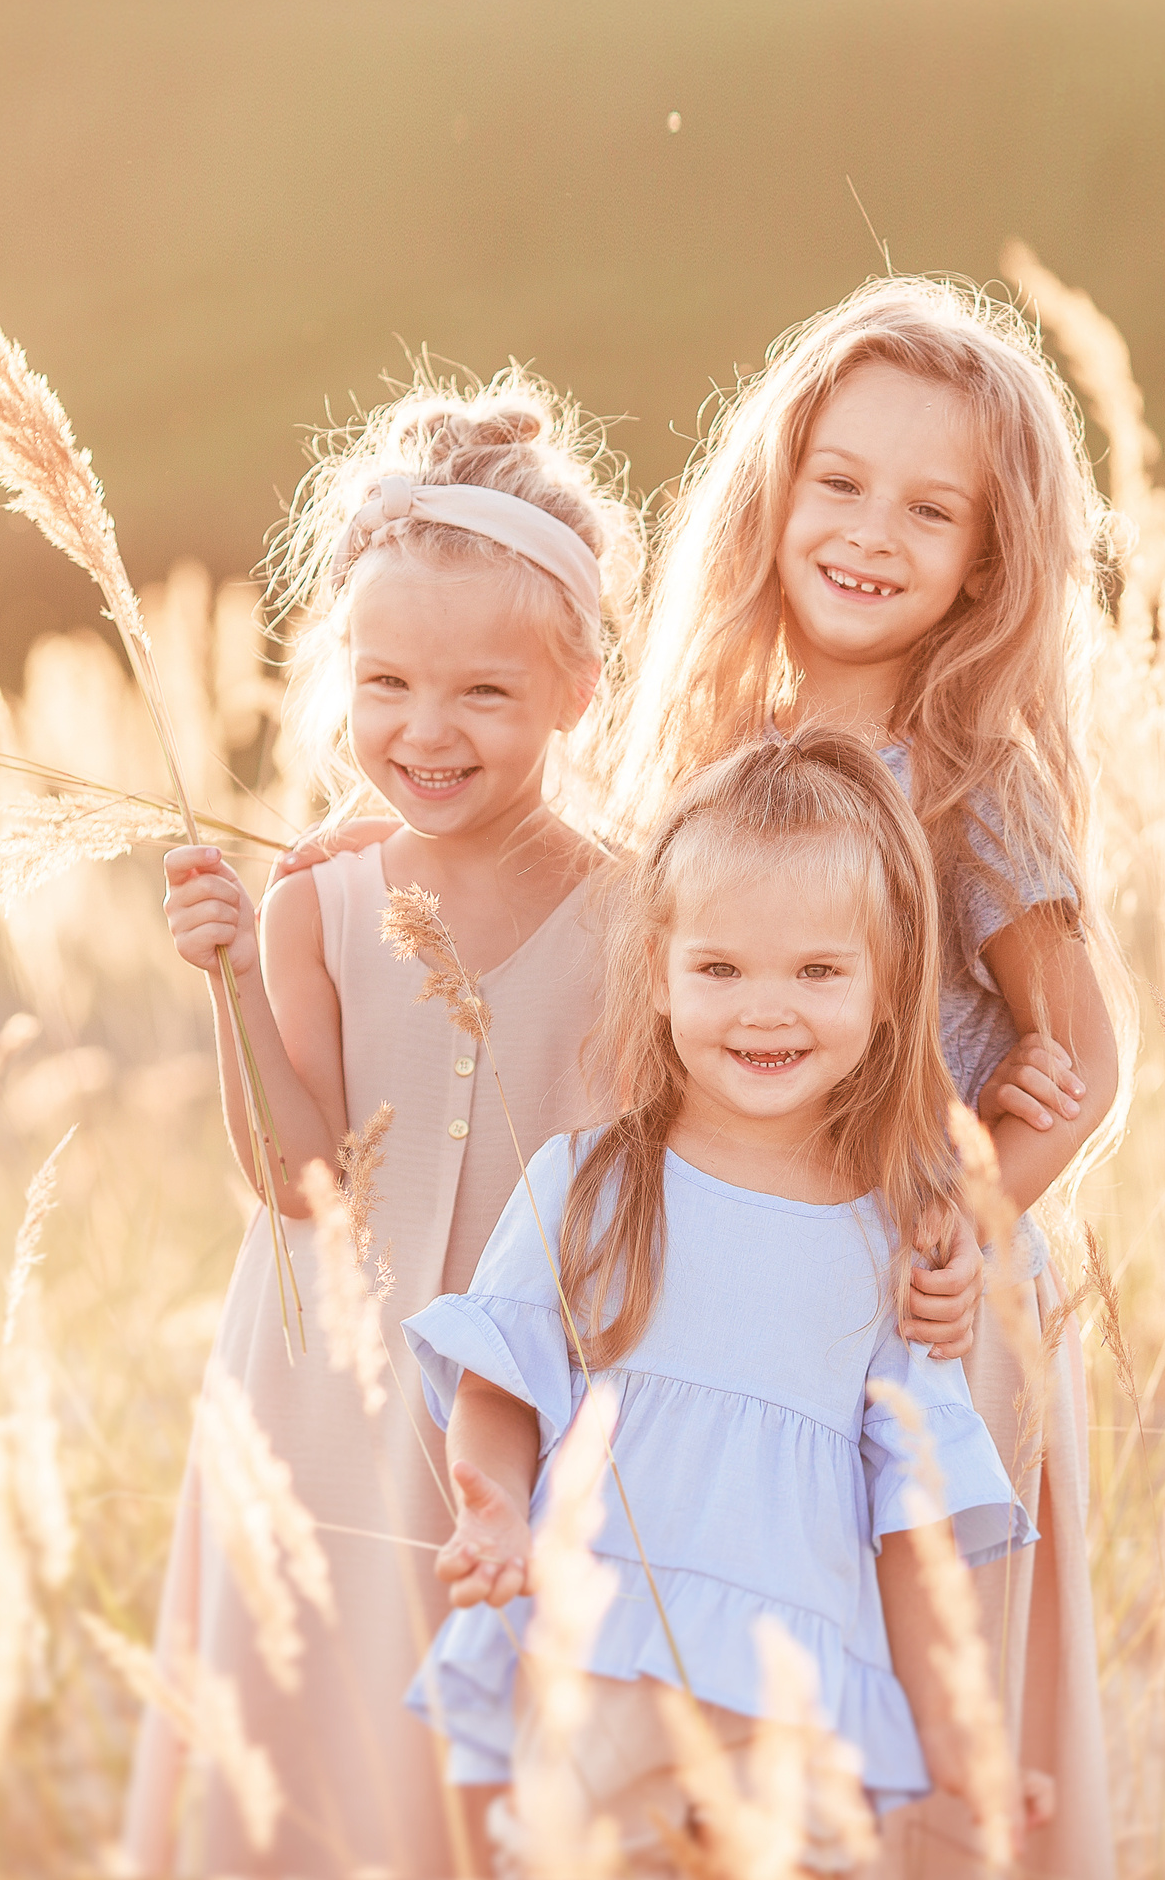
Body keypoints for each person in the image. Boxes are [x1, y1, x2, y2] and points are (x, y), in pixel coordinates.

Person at [123, 373, 981, 1876]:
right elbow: (297, 1177)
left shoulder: (640, 906)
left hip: (533, 1410)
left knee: (493, 1768)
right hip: (321, 1393)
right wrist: (227, 977)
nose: (424, 731)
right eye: (383, 685)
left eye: (482, 695)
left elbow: (725, 1135)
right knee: (313, 1755)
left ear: (580, 686)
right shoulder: (316, 899)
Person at [604, 275, 1136, 1878]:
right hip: (735, 1308)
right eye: (838, 482)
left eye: (930, 507)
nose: (868, 530)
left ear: (987, 560)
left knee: (904, 1740)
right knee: (729, 1735)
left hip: (913, 1323)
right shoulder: (711, 750)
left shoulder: (973, 784)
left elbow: (1086, 1055)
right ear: (776, 494)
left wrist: (971, 1218)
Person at [406, 727, 1043, 1874]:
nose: (765, 1010)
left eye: (816, 971)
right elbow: (501, 1380)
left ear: (890, 985)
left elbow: (910, 1519)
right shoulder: (593, 1182)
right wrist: (491, 1502)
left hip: (795, 1696)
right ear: (658, 972)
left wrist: (957, 1735)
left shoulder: (899, 1237)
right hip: (598, 1658)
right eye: (719, 969)